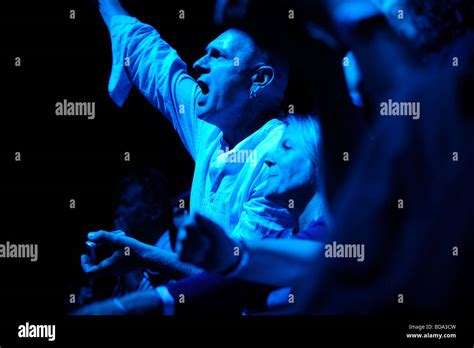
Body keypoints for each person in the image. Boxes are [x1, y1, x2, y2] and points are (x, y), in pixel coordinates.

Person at [73, 114, 330, 315]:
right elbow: (233, 285)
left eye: (286, 147)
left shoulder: (337, 238)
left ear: (323, 160)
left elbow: (231, 281)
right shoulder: (286, 239)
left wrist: (131, 304)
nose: (268, 158)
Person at [96, 0, 293, 242]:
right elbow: (154, 61)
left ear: (260, 78)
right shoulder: (212, 130)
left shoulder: (280, 161)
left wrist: (144, 257)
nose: (199, 64)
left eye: (217, 55)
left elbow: (236, 274)